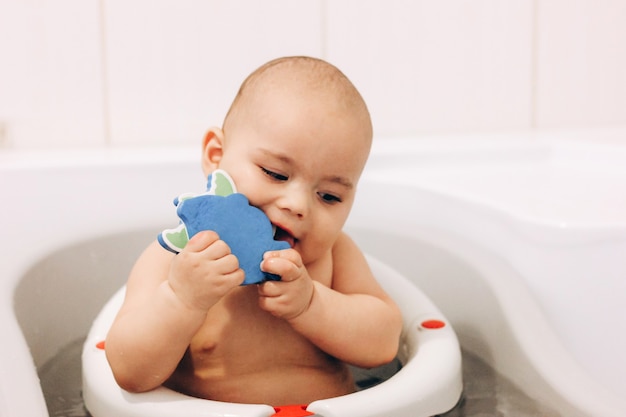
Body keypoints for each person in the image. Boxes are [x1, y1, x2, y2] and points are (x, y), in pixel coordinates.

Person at [105, 56, 403, 406]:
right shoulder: (173, 260)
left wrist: (312, 306)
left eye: (329, 196)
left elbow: (384, 343)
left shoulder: (334, 256)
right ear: (216, 155)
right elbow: (129, 371)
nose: (298, 205)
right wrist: (182, 299)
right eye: (276, 174)